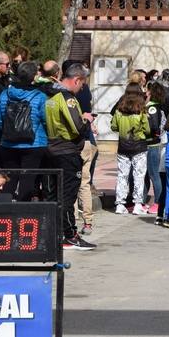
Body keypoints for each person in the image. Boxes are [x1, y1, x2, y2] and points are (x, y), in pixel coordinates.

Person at [43, 62, 95, 251]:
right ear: (76, 80)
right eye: (82, 84)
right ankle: (70, 235)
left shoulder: (49, 97)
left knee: (51, 194)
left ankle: (52, 234)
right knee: (67, 196)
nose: (81, 88)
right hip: (67, 152)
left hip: (50, 149)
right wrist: (87, 120)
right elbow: (77, 127)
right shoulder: (68, 99)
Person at [0, 61, 49, 202]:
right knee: (28, 179)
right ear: (34, 77)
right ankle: (24, 214)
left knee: (10, 179)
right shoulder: (40, 96)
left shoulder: (5, 94)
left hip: (9, 144)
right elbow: (46, 120)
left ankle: (6, 213)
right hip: (34, 144)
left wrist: (9, 131)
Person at [64, 59, 97, 236]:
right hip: (82, 140)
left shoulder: (61, 95)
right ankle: (87, 221)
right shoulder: (76, 95)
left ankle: (74, 218)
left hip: (72, 142)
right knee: (83, 182)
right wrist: (88, 120)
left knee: (73, 182)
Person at [111, 89, 151, 215]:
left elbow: (113, 127)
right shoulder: (141, 113)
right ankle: (137, 204)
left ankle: (120, 203)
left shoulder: (118, 112)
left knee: (122, 175)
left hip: (123, 146)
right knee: (139, 175)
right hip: (139, 146)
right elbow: (147, 129)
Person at [144, 81, 168, 219]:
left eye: (147, 91)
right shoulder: (157, 107)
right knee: (147, 174)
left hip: (152, 144)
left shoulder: (152, 108)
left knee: (154, 174)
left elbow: (154, 127)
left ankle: (159, 202)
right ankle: (144, 200)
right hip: (153, 143)